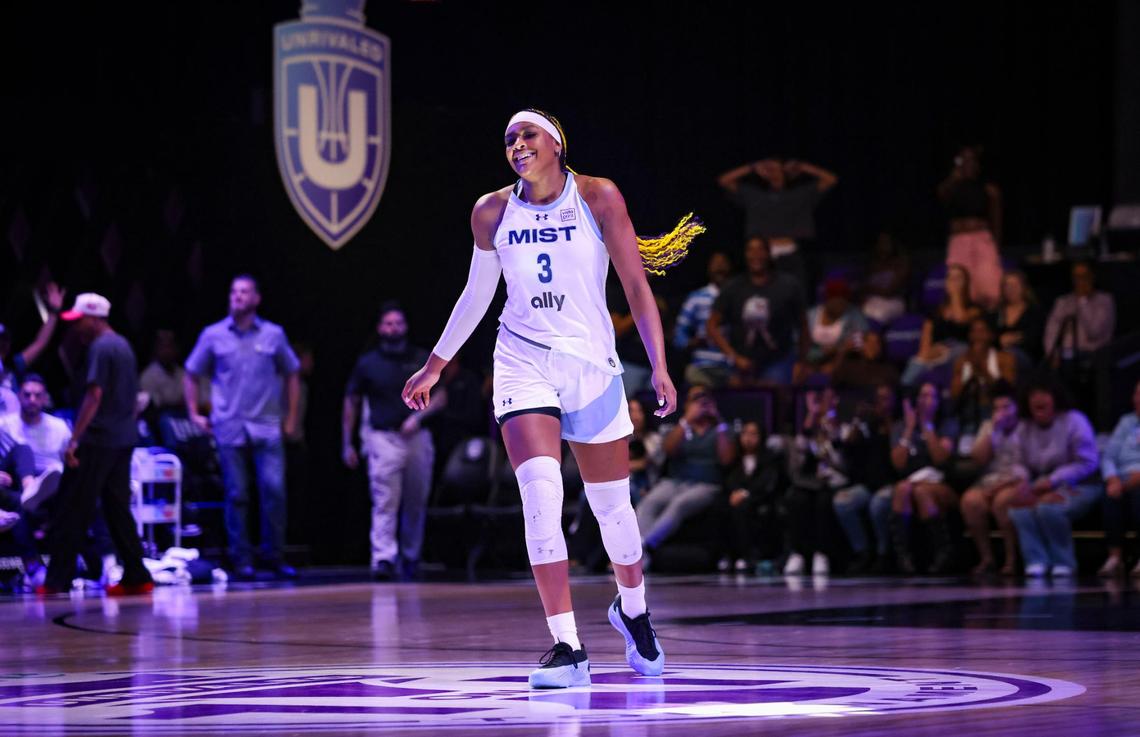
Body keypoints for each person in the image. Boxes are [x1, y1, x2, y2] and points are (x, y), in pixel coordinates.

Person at [401, 109, 700, 689]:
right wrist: (434, 365)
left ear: (557, 144)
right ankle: (567, 644)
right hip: (521, 360)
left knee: (613, 510)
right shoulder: (491, 211)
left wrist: (660, 365)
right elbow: (477, 292)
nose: (517, 144)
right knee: (540, 494)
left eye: (528, 134)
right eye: (509, 138)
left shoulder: (598, 197)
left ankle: (633, 611)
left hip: (590, 363)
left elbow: (636, 284)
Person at [184, 275, 302, 580]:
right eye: (233, 291)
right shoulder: (213, 335)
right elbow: (191, 372)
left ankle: (273, 556)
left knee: (273, 492)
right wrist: (194, 413)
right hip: (230, 425)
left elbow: (292, 374)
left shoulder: (273, 334)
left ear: (256, 299)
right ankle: (241, 559)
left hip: (266, 424)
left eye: (244, 291)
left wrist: (291, 418)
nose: (237, 296)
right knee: (237, 494)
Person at [40, 294, 154, 595]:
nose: (76, 328)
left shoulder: (100, 348)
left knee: (72, 508)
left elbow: (94, 396)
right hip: (123, 438)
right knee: (117, 509)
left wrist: (75, 439)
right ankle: (136, 574)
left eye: (79, 321)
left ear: (95, 318)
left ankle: (57, 581)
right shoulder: (124, 345)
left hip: (98, 439)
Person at [343, 303, 444, 582]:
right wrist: (347, 443)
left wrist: (420, 419)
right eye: (388, 324)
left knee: (416, 500)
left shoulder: (422, 359)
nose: (393, 328)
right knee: (385, 500)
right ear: (379, 328)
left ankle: (411, 557)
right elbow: (351, 401)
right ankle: (383, 558)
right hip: (383, 438)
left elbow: (441, 396)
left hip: (417, 438)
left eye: (398, 323)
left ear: (405, 326)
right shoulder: (368, 363)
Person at [1007, 376, 1100, 577]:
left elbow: (1088, 462)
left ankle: (1064, 561)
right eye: (1034, 396)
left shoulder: (1075, 420)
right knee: (1019, 508)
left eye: (1044, 394)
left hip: (1081, 483)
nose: (1039, 399)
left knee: (1049, 508)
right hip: (1040, 483)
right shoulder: (1024, 427)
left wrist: (1054, 481)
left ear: (1055, 398)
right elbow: (1018, 461)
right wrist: (1022, 480)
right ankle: (1036, 560)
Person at [636, 385, 736, 558]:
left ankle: (643, 547)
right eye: (695, 399)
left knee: (680, 504)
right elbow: (668, 450)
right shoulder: (677, 428)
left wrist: (718, 420)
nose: (700, 403)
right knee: (650, 502)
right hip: (674, 481)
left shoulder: (721, 429)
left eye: (704, 398)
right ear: (686, 404)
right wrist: (686, 420)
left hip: (706, 484)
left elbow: (726, 459)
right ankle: (641, 551)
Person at [717, 158, 838, 288]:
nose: (773, 172)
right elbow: (724, 180)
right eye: (770, 169)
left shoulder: (799, 194)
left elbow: (830, 179)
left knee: (793, 295)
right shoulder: (754, 195)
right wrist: (753, 167)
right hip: (760, 256)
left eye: (777, 169)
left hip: (790, 255)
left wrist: (801, 166)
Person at [707, 237, 808, 386]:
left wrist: (801, 361)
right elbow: (712, 326)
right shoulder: (733, 288)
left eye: (760, 249)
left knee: (772, 391)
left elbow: (803, 327)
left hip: (778, 361)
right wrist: (733, 357)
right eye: (751, 250)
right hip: (742, 362)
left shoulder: (788, 286)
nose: (755, 255)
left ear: (768, 254)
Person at [959, 381, 1028, 575]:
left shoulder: (1025, 428)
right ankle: (987, 558)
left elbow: (1027, 467)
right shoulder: (989, 427)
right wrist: (993, 432)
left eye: (1006, 407)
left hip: (1016, 480)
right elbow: (979, 459)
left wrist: (1000, 486)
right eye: (997, 408)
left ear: (1016, 407)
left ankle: (1011, 559)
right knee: (970, 501)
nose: (1001, 412)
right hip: (991, 480)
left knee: (1001, 502)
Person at [889, 382, 958, 574]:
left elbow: (940, 458)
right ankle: (904, 558)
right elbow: (898, 464)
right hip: (911, 484)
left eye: (931, 396)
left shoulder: (947, 424)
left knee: (921, 491)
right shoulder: (901, 426)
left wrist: (927, 427)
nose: (926, 401)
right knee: (902, 489)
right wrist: (910, 428)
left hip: (941, 484)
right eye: (922, 396)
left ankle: (942, 554)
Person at [937, 145, 1003, 309]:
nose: (968, 163)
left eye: (971, 159)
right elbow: (941, 195)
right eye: (963, 159)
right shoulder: (952, 187)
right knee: (958, 283)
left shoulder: (989, 189)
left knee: (989, 285)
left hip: (982, 239)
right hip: (959, 241)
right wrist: (954, 176)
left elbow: (996, 221)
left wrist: (996, 245)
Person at [717, 419, 784, 573]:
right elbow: (729, 479)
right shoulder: (735, 459)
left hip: (758, 498)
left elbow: (768, 483)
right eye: (745, 433)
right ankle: (726, 555)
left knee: (744, 508)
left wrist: (746, 493)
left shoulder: (769, 459)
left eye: (753, 434)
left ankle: (746, 556)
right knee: (719, 506)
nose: (748, 438)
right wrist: (735, 492)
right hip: (736, 497)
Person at [901, 264, 983, 387]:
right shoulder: (935, 312)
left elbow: (960, 319)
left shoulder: (974, 309)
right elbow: (925, 343)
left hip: (962, 351)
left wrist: (955, 295)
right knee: (916, 361)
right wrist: (928, 354)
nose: (954, 281)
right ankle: (904, 390)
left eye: (958, 278)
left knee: (958, 351)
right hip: (936, 353)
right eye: (950, 278)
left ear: (966, 283)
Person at [673, 251, 734, 388]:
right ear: (709, 269)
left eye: (723, 264)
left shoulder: (737, 296)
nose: (719, 268)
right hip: (703, 364)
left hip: (732, 365)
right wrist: (691, 342)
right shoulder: (697, 297)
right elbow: (679, 332)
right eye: (716, 264)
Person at [1099, 379, 1140, 578]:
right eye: (1137, 394)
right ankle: (1115, 558)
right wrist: (1112, 478)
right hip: (1123, 479)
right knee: (1110, 496)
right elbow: (1108, 455)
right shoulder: (1126, 422)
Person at [793, 278, 868, 385]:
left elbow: (858, 344)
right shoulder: (810, 315)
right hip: (810, 358)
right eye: (836, 299)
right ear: (827, 299)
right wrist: (815, 357)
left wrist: (838, 349)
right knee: (796, 370)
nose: (840, 304)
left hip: (840, 358)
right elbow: (797, 342)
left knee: (836, 368)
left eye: (843, 300)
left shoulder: (855, 316)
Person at [1043, 260, 1116, 359]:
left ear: (1092, 276)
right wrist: (1052, 354)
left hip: (1093, 354)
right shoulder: (1063, 302)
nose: (1080, 281)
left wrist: (1083, 301)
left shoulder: (1104, 301)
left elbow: (1094, 332)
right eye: (1076, 277)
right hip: (1065, 354)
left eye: (1084, 276)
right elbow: (1051, 331)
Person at [994, 270, 1044, 371]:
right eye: (1007, 286)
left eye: (1015, 285)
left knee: (1007, 358)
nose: (1010, 289)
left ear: (1024, 287)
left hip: (1025, 356)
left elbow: (1034, 339)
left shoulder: (1034, 312)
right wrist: (999, 340)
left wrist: (1014, 339)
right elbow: (989, 335)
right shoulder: (996, 312)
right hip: (997, 353)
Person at [139, 329, 186, 412]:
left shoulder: (182, 374)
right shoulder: (148, 376)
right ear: (155, 349)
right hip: (158, 419)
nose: (167, 351)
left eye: (170, 346)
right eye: (163, 347)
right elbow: (155, 405)